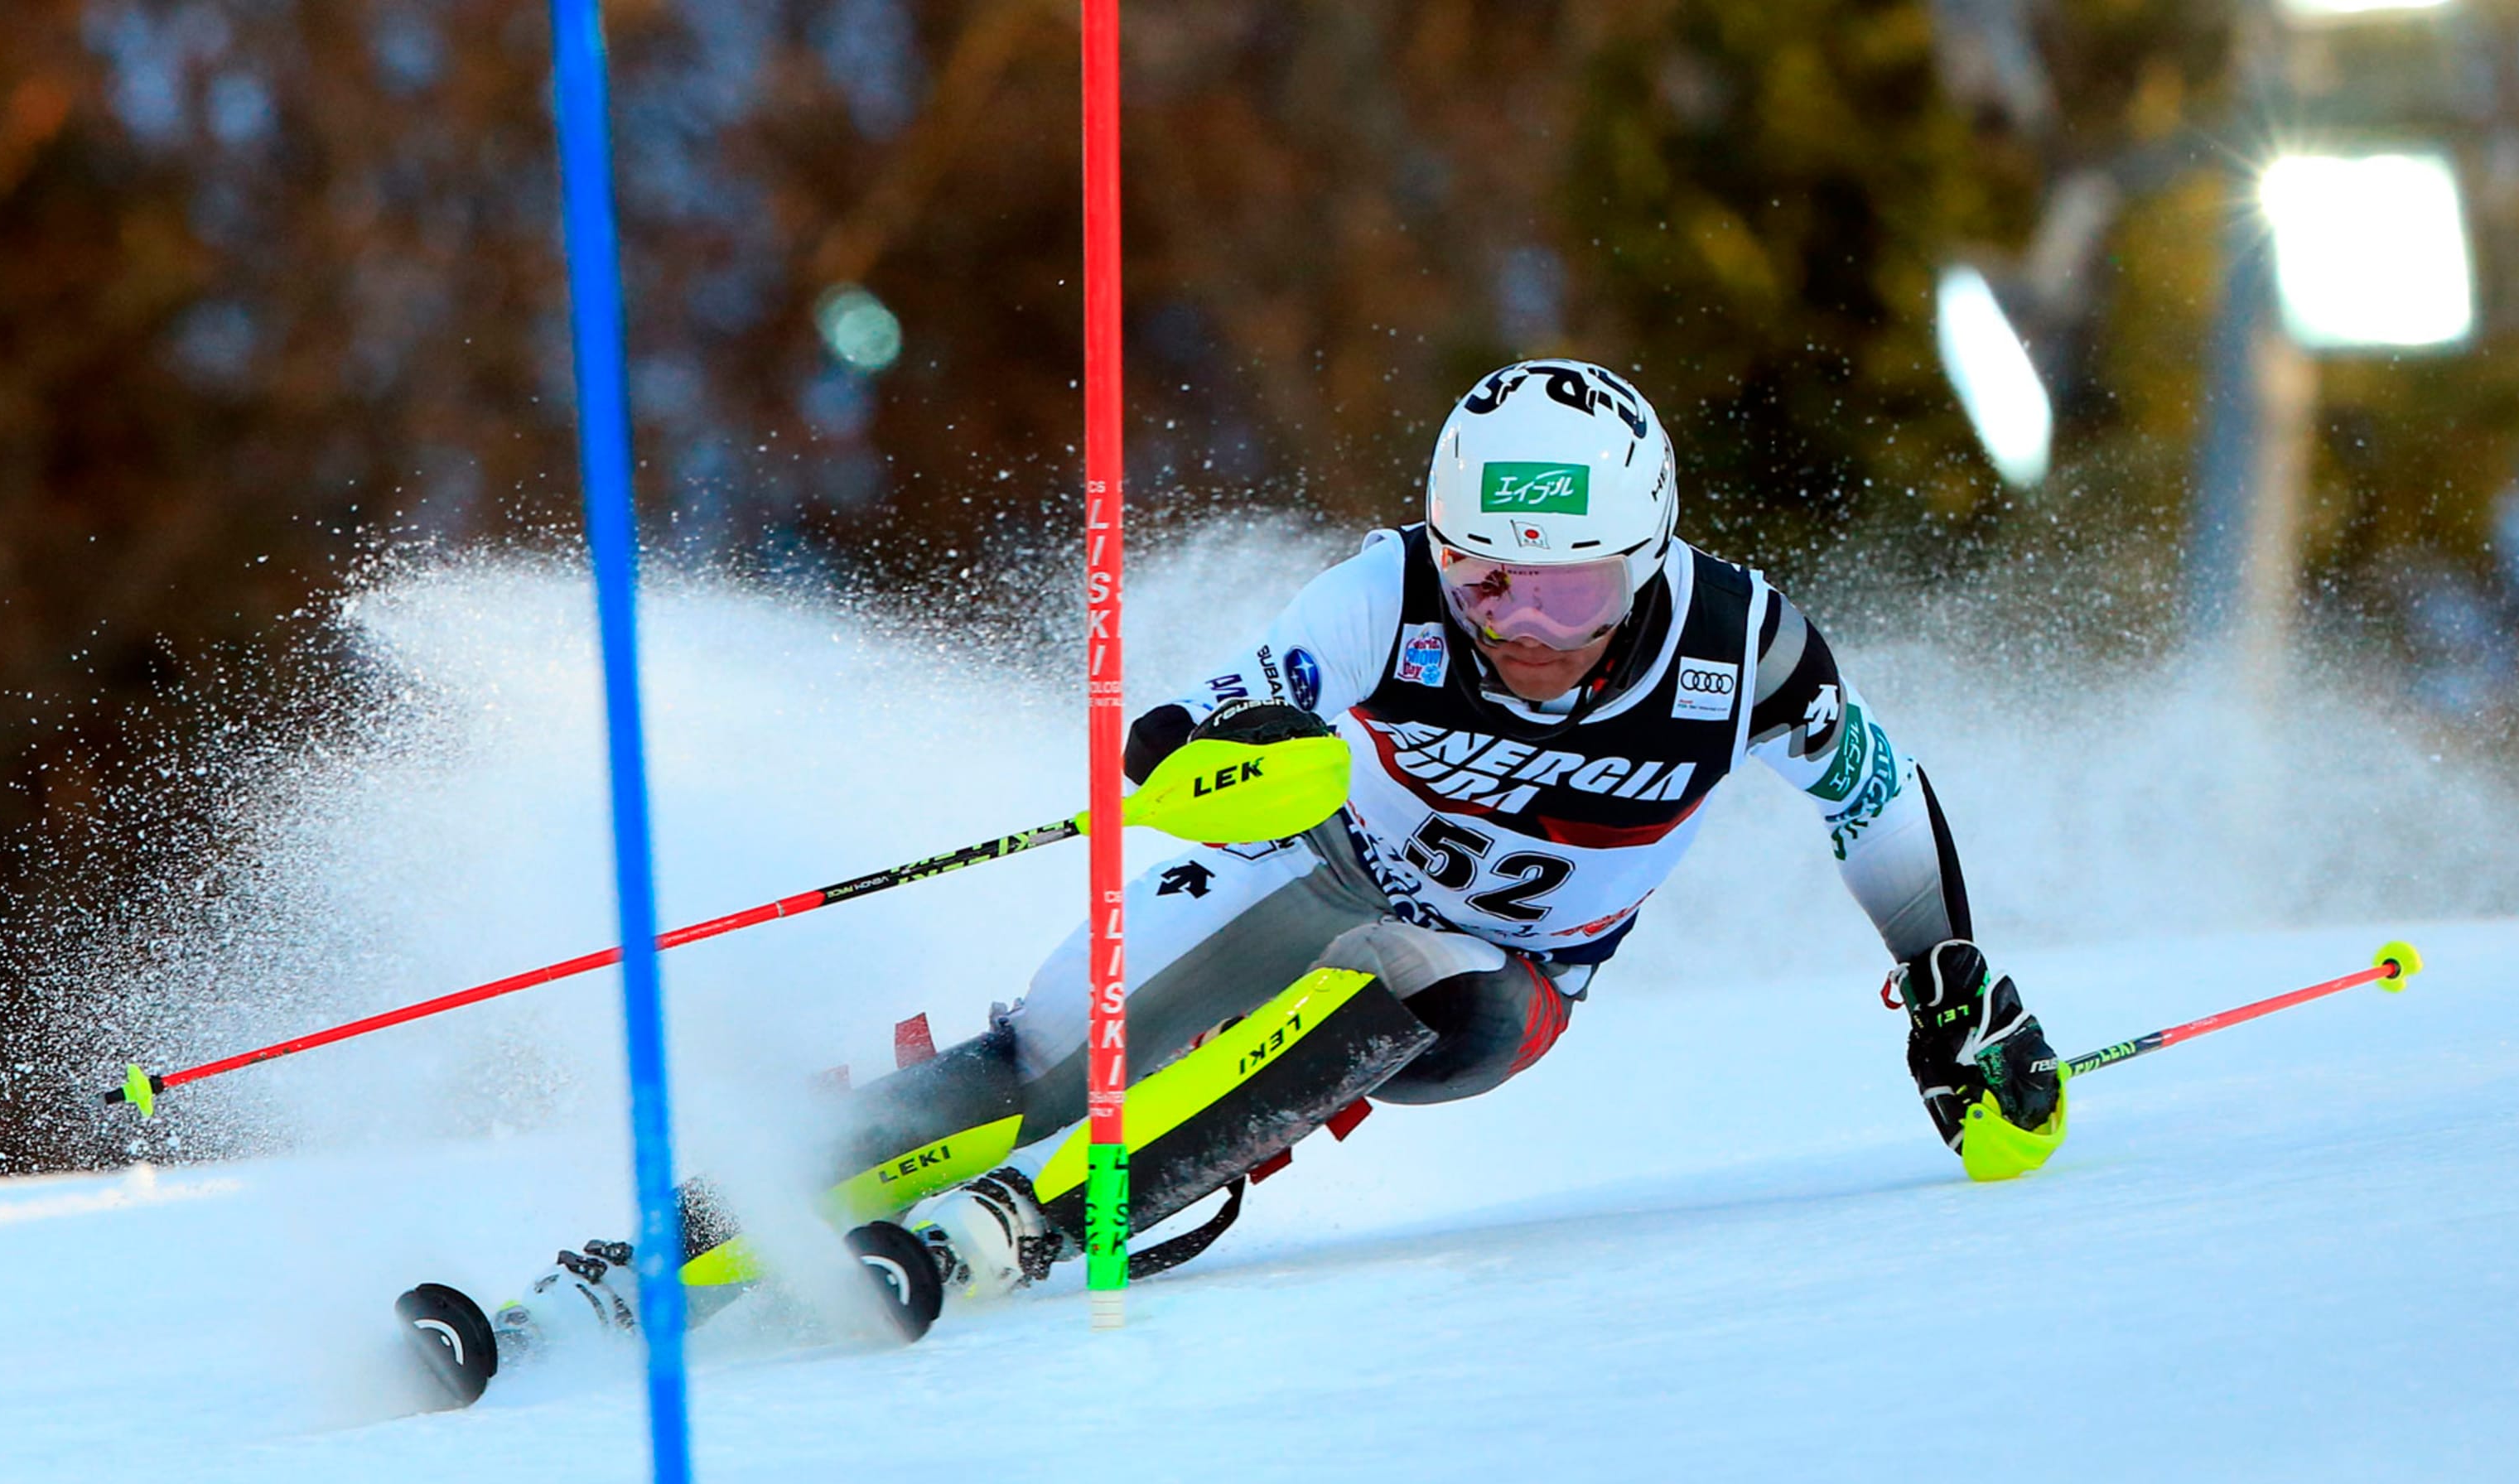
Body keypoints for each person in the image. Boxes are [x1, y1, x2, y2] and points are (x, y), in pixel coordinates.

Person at [508, 359, 2068, 1347]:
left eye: (1569, 595)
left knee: (1430, 983)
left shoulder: (1746, 650)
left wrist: (1944, 972)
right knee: (1045, 1056)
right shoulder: (1383, 596)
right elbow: (1202, 721)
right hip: (1307, 866)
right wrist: (1202, 757)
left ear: (1648, 563)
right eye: (1485, 579)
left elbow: (1871, 792)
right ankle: (667, 1240)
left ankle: (1038, 1223)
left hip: (1508, 977)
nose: (1518, 625)